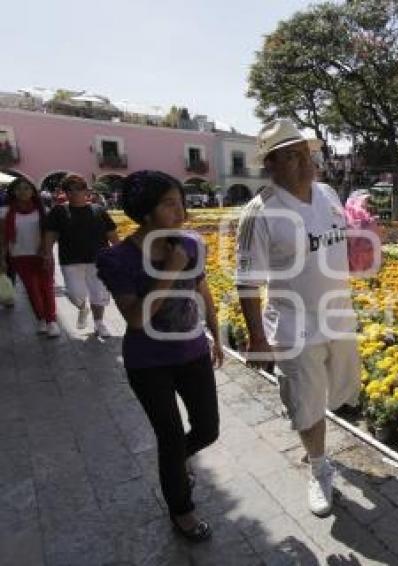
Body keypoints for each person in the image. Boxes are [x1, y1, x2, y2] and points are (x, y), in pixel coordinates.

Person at [235, 119, 360, 518]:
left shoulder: (326, 193)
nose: (305, 163)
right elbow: (247, 280)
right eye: (291, 156)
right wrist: (256, 339)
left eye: (305, 153)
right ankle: (319, 468)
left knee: (339, 390)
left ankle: (318, 448)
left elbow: (339, 242)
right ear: (270, 165)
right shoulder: (260, 213)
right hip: (294, 324)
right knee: (306, 401)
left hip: (338, 316)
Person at [96, 171, 223, 542]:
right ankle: (182, 510)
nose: (180, 210)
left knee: (208, 428)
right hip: (148, 362)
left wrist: (216, 335)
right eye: (169, 203)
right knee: (168, 438)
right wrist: (170, 269)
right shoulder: (117, 259)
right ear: (145, 212)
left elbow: (203, 291)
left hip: (192, 351)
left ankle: (176, 464)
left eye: (180, 200)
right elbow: (136, 318)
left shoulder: (190, 246)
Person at [42, 175, 119, 337]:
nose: (74, 192)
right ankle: (83, 308)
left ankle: (99, 323)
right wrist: (47, 253)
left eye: (78, 188)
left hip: (99, 260)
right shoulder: (59, 210)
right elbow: (51, 233)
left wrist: (120, 253)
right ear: (65, 193)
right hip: (70, 260)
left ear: (86, 191)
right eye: (69, 189)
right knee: (74, 293)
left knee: (99, 293)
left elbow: (111, 232)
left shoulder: (98, 209)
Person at [2, 178, 59, 336]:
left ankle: (52, 321)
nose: (23, 191)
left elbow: (51, 234)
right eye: (19, 188)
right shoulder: (6, 212)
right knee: (32, 290)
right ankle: (41, 319)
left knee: (46, 288)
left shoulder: (43, 210)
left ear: (33, 192)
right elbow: (3, 238)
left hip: (42, 255)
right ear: (13, 192)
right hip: (19, 256)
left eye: (27, 188)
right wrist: (2, 259)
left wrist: (47, 251)